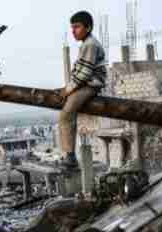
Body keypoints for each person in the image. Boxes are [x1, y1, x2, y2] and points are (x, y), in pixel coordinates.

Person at [59, 11, 107, 168]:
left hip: (91, 84)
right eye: (72, 27)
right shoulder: (86, 44)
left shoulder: (90, 44)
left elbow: (85, 73)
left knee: (66, 114)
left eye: (77, 27)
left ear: (88, 27)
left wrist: (68, 90)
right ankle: (68, 154)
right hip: (86, 83)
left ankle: (70, 156)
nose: (73, 31)